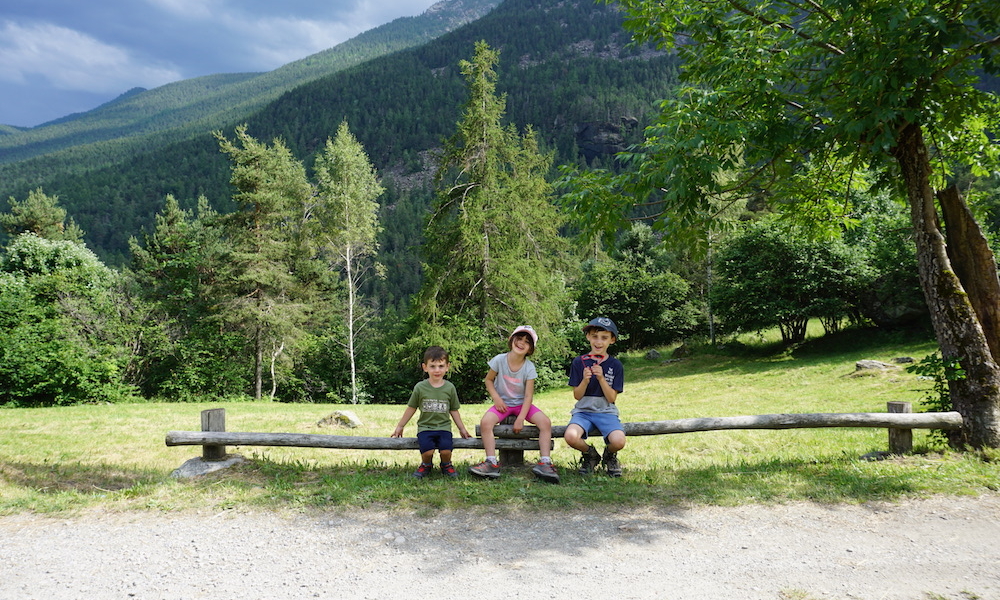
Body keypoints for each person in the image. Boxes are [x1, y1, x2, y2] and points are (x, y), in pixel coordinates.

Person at [468, 325, 560, 483]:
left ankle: (545, 462)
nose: (522, 342)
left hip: (522, 404)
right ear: (512, 340)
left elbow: (529, 395)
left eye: (527, 341)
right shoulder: (499, 360)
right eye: (519, 338)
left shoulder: (529, 367)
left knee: (545, 423)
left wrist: (521, 418)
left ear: (530, 349)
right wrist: (496, 398)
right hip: (502, 404)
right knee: (485, 423)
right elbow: (488, 380)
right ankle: (491, 462)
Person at [392, 346, 470, 478]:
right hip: (425, 428)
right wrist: (400, 426)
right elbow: (411, 407)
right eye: (432, 366)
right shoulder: (420, 387)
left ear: (447, 367)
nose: (437, 370)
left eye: (441, 366)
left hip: (444, 427)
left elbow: (454, 410)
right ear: (425, 367)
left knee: (446, 450)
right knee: (427, 452)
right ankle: (426, 465)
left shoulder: (449, 388)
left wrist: (462, 428)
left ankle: (446, 465)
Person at [565, 317, 626, 477]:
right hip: (583, 412)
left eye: (604, 338)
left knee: (619, 441)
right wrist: (585, 380)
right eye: (595, 336)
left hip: (606, 412)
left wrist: (601, 378)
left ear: (612, 340)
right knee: (570, 436)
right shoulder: (579, 362)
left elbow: (612, 398)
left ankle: (609, 455)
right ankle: (590, 454)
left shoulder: (615, 365)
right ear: (588, 337)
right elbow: (577, 396)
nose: (599, 342)